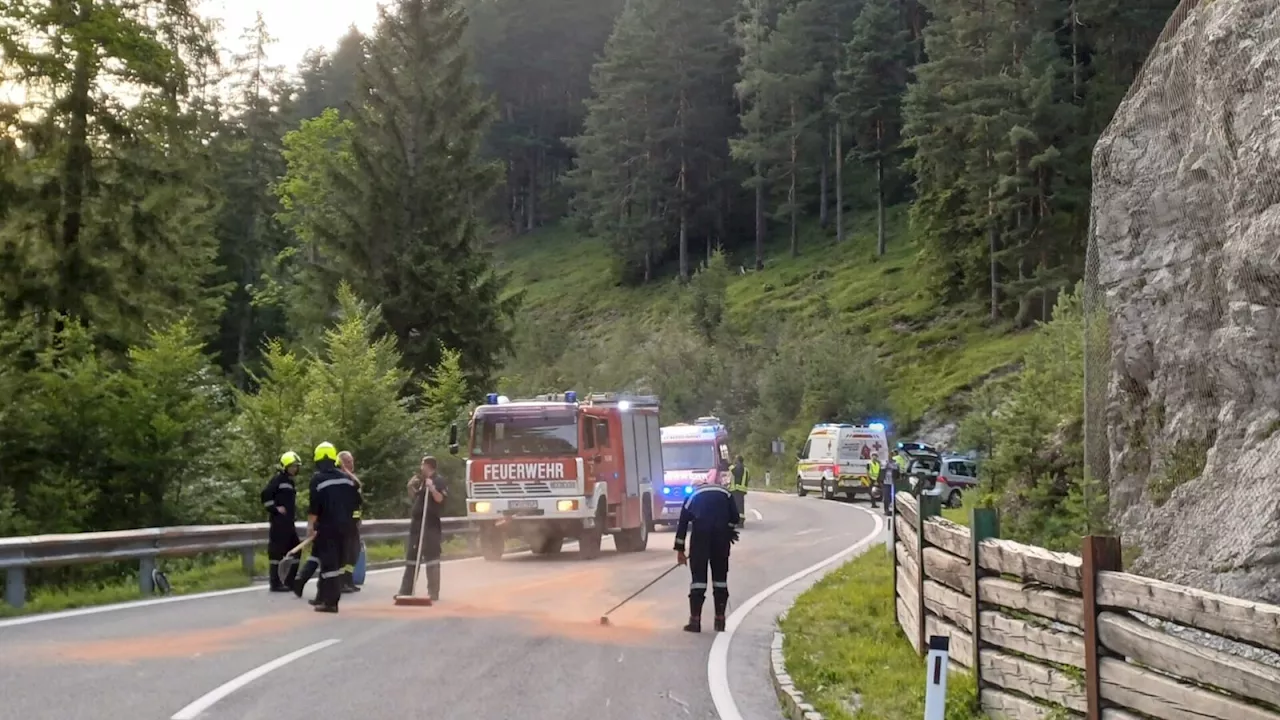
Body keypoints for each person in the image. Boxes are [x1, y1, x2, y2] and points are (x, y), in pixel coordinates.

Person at [674, 476, 740, 633]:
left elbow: (682, 525)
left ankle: (695, 621)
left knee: (698, 581)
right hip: (721, 540)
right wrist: (728, 531)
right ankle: (720, 620)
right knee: (720, 580)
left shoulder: (692, 497)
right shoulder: (725, 493)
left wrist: (680, 550)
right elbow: (735, 518)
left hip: (700, 540)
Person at [307, 441, 362, 613]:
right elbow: (357, 497)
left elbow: (314, 507)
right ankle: (322, 597)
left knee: (329, 565)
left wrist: (310, 527)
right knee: (336, 564)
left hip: (328, 528)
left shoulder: (317, 479)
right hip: (346, 528)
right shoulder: (346, 479)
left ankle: (331, 602)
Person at [398, 455, 448, 601]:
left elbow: (440, 499)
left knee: (432, 558)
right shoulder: (421, 482)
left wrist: (432, 488)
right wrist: (410, 487)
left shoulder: (438, 481)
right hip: (418, 525)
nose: (421, 468)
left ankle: (433, 592)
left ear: (429, 466)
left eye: (422, 465)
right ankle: (406, 590)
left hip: (430, 525)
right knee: (412, 557)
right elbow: (416, 498)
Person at [262, 451, 302, 592]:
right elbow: (265, 496)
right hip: (279, 523)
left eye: (296, 466)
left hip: (289, 523)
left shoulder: (289, 482)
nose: (295, 469)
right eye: (292, 466)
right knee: (277, 552)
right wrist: (275, 509)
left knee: (296, 550)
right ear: (285, 466)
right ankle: (275, 583)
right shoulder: (278, 480)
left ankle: (289, 581)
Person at [337, 450, 364, 594]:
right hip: (344, 522)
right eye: (347, 462)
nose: (351, 464)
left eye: (351, 461)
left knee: (354, 552)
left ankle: (348, 580)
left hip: (353, 522)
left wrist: (358, 518)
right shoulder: (342, 479)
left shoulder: (351, 478)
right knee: (345, 553)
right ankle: (342, 582)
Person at [728, 455, 749, 528]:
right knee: (740, 506)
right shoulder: (745, 469)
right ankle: (740, 521)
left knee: (738, 506)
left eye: (736, 459)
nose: (735, 460)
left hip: (737, 489)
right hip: (741, 490)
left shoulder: (739, 468)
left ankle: (740, 522)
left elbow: (736, 472)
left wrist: (729, 465)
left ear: (739, 461)